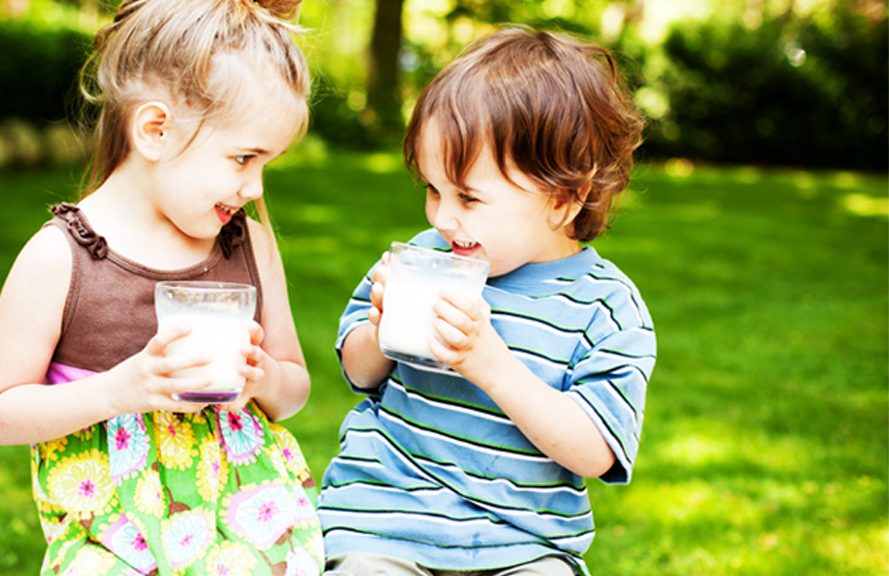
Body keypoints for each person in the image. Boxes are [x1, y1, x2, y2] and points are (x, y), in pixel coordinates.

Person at [318, 26, 655, 576]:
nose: (442, 218)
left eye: (469, 198)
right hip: (387, 520)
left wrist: (491, 366)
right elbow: (357, 371)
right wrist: (381, 329)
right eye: (432, 189)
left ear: (563, 200)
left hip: (525, 544)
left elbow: (596, 451)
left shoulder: (606, 308)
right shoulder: (426, 259)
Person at [0, 0, 324, 573]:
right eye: (243, 158)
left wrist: (264, 378)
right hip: (113, 538)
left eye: (265, 164)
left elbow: (294, 387)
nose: (254, 187)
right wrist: (115, 393)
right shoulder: (62, 258)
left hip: (248, 526)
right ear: (155, 130)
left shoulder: (247, 244)